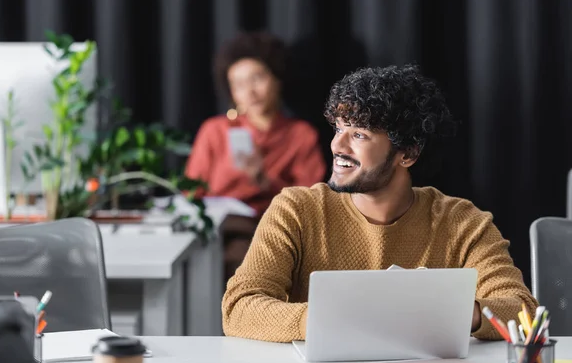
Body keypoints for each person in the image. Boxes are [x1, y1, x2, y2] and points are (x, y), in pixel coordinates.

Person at [222, 64, 538, 343]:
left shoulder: (462, 221)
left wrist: (454, 312)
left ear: (408, 154)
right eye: (338, 128)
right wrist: (328, 320)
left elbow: (522, 309)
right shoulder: (296, 209)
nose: (337, 145)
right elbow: (240, 306)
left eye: (359, 135)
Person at [185, 32, 326, 279]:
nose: (250, 91)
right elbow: (191, 190)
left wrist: (265, 181)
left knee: (246, 257)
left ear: (277, 78)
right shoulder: (215, 130)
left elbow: (311, 200)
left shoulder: (300, 134)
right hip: (215, 226)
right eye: (238, 85)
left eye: (257, 78)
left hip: (270, 227)